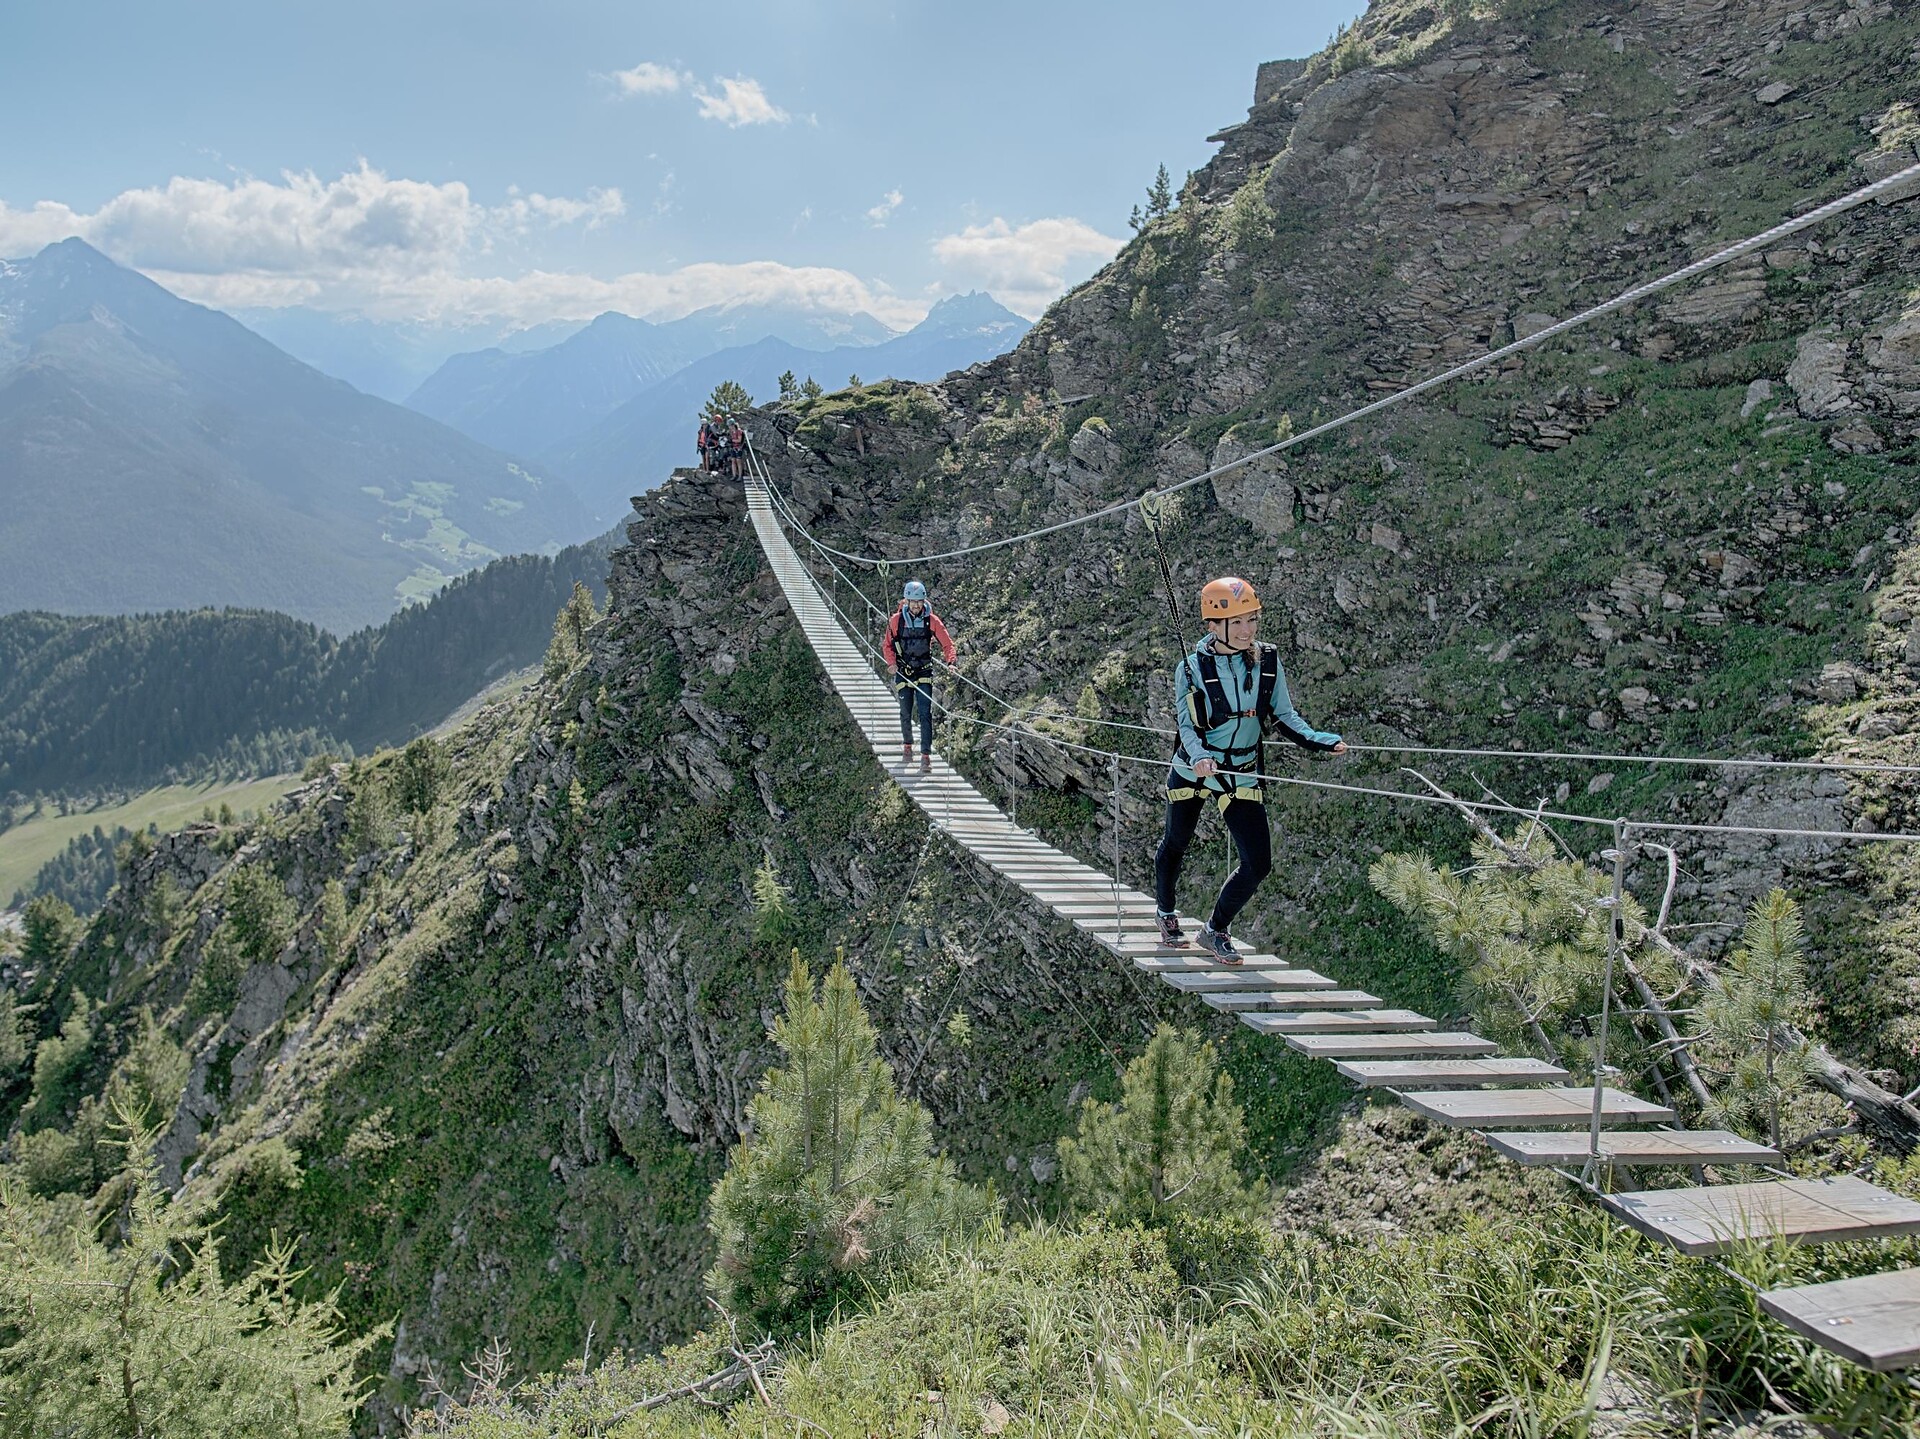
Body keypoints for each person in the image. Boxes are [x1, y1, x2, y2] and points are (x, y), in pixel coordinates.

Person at [1156, 576, 1345, 964]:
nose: (1247, 631)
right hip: (1195, 769)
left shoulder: (1269, 661)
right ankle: (1165, 913)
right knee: (1177, 841)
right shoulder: (1190, 669)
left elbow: (1284, 716)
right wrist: (1198, 757)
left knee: (1258, 862)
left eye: (1252, 620)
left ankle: (1214, 930)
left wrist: (1321, 740)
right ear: (1213, 626)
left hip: (1240, 770)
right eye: (1237, 623)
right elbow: (1187, 727)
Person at [882, 579, 955, 775]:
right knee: (905, 712)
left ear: (924, 601)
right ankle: (907, 745)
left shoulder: (932, 621)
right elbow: (887, 645)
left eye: (919, 601)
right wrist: (891, 663)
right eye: (912, 602)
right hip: (903, 671)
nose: (915, 605)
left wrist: (951, 662)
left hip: (923, 671)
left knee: (925, 714)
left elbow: (947, 643)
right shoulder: (896, 620)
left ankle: (925, 757)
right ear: (906, 601)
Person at [727, 416, 747, 480]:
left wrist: (732, 440)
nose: (729, 427)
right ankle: (734, 475)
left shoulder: (739, 431)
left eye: (730, 426)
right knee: (733, 460)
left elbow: (739, 440)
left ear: (732, 425)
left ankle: (740, 476)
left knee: (738, 461)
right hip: (734, 447)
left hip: (739, 447)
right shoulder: (732, 432)